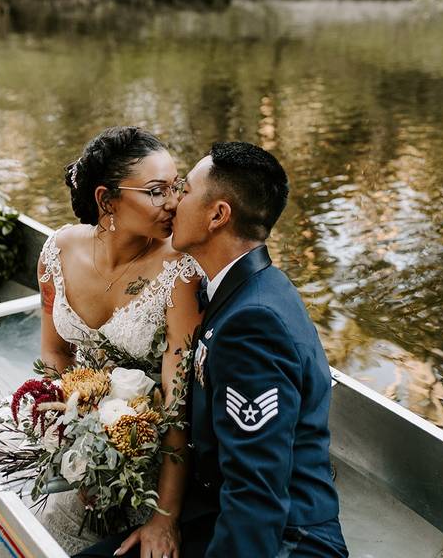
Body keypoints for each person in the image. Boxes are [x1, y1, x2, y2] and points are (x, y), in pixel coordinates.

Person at [82, 141, 347, 557]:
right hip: (217, 507)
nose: (172, 203)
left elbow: (256, 494)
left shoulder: (253, 323)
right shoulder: (235, 289)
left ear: (218, 215)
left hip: (289, 539)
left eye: (183, 190)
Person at [36, 126, 203, 557]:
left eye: (176, 186)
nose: (174, 203)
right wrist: (72, 426)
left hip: (154, 450)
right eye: (155, 190)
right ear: (106, 199)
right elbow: (56, 351)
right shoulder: (56, 251)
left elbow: (176, 400)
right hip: (85, 440)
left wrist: (164, 517)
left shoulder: (179, 272)